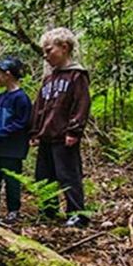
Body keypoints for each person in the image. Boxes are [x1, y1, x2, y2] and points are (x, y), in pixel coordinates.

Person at [30, 27, 91, 227]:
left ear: (64, 47)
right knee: (44, 176)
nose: (45, 56)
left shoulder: (76, 75)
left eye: (49, 50)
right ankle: (48, 210)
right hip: (47, 135)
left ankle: (78, 214)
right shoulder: (49, 78)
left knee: (68, 176)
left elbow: (81, 104)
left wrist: (74, 130)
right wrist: (34, 131)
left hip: (64, 136)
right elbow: (39, 106)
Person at [0, 56, 32, 224]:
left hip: (12, 149)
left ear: (8, 74)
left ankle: (13, 211)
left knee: (12, 181)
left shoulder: (21, 98)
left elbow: (21, 124)